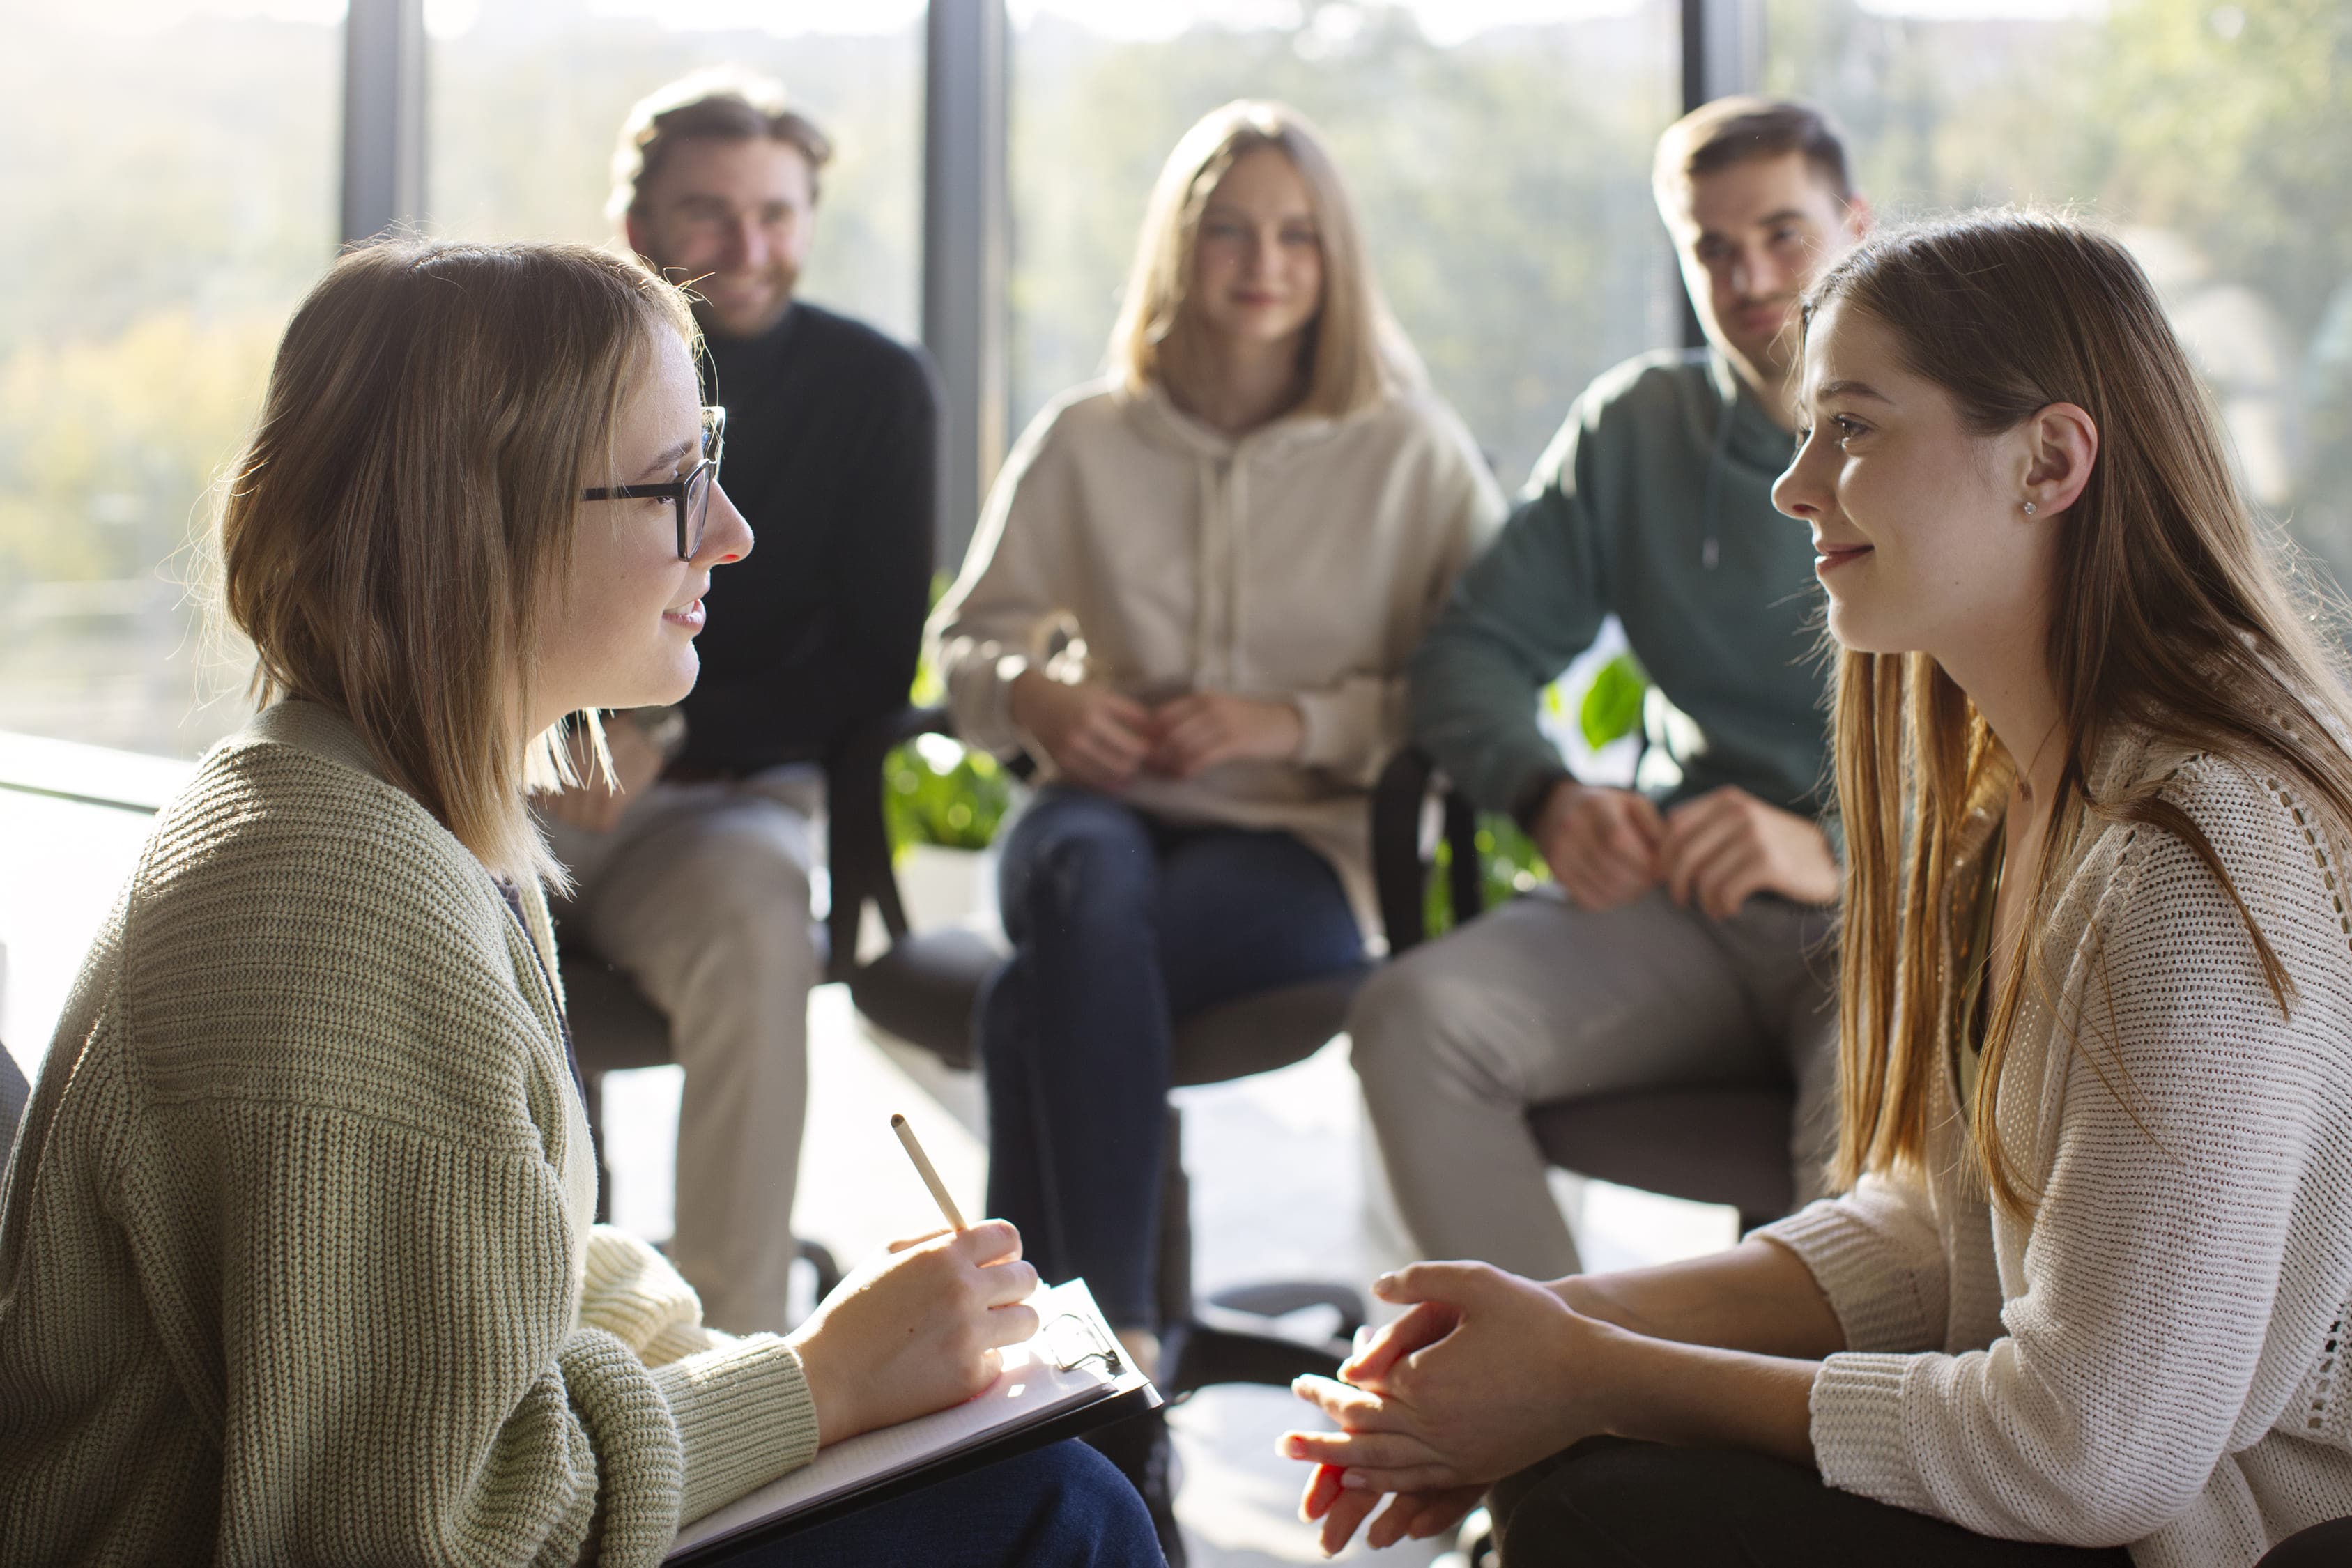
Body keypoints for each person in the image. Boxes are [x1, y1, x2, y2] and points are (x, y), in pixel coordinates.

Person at [0, 238, 1155, 1566]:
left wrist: (797, 1363)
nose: (732, 531)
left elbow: (514, 1269)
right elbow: (440, 1533)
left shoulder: (393, 811)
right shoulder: (341, 916)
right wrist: (822, 1384)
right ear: (476, 525)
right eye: (677, 486)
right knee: (1063, 1513)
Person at [1279, 210, 2352, 1567]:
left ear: (2048, 461)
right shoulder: (2016, 803)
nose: (1793, 486)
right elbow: (1932, 1230)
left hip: (2239, 1534)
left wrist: (1588, 1380)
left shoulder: (2190, 863)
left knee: (1589, 1497)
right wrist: (1554, 1329)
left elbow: (2086, 1454)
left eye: (1850, 426)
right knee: (1576, 1474)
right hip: (2111, 1489)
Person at [928, 100, 1505, 1556]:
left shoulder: (1411, 452)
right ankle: (1107, 1369)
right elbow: (963, 654)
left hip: (1293, 858)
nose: (1263, 261)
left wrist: (1288, 723)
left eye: (1296, 233)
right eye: (1230, 228)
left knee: (1029, 1003)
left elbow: (1476, 691)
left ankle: (1060, 1395)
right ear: (1179, 249)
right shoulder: (1084, 438)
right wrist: (1044, 705)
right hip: (1095, 821)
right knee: (1076, 871)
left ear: (1334, 258)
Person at [1346, 97, 1872, 1278]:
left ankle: (1799, 1443)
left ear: (1855, 224)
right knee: (1413, 1021)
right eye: (1712, 249)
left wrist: (1833, 850)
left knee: (1867, 1146)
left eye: (1784, 236)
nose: (1749, 279)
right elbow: (1469, 655)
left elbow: (2042, 744)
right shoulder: (1639, 428)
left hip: (1891, 918)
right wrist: (1546, 795)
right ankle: (1569, 1425)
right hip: (1682, 902)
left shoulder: (1955, 431)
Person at [537, 70, 940, 1335]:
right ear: (635, 220)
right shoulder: (540, 373)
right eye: (710, 212)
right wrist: (562, 738)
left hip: (721, 801)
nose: (749, 248)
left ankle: (732, 1353)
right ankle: (514, 1314)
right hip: (516, 775)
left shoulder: (878, 387)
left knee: (765, 918)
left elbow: (876, 658)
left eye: (778, 212)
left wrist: (673, 735)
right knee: (427, 898)